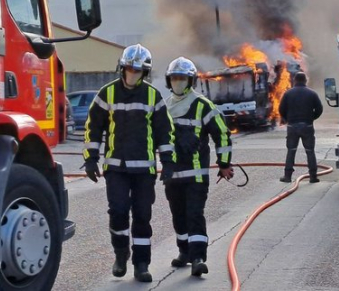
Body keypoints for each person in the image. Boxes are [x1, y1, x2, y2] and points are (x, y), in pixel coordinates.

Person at [82, 44, 176, 283]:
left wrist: (168, 162)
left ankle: (142, 263)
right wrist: (91, 159)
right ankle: (121, 254)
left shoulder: (153, 96)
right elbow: (93, 127)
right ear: (121, 69)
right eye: (129, 70)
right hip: (116, 169)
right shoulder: (107, 93)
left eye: (137, 71)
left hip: (145, 169)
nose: (132, 74)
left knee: (143, 215)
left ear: (144, 73)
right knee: (119, 212)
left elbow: (164, 132)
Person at [162, 57, 233, 277]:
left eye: (182, 78)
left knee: (194, 214)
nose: (178, 82)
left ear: (191, 80)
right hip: (172, 175)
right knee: (178, 216)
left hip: (196, 175)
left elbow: (221, 133)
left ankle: (198, 258)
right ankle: (184, 252)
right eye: (175, 78)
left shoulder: (202, 105)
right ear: (169, 80)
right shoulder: (164, 107)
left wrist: (224, 164)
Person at [278, 72, 323, 183]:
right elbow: (319, 109)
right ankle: (313, 177)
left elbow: (281, 109)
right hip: (307, 126)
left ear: (295, 80)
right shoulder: (312, 94)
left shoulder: (288, 94)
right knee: (310, 151)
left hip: (292, 126)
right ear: (305, 80)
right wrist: (311, 118)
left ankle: (287, 176)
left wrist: (287, 119)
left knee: (291, 151)